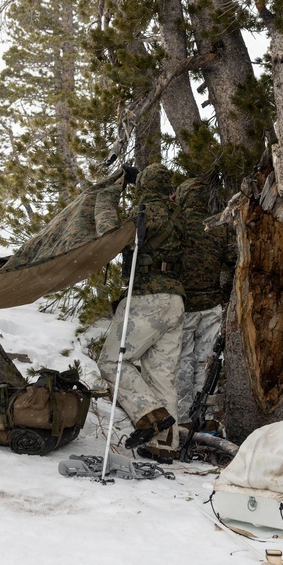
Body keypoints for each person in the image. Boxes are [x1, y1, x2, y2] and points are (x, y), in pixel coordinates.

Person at [97, 163, 185, 459]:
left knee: (111, 361)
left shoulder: (144, 212)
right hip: (175, 299)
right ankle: (165, 445)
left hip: (147, 296)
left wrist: (109, 193)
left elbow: (108, 233)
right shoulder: (178, 215)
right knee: (161, 375)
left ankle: (151, 415)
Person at [174, 178, 236, 433]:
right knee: (207, 362)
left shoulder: (177, 224)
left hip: (183, 304)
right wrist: (225, 292)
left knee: (182, 361)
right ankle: (207, 417)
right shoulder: (218, 226)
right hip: (211, 304)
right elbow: (234, 259)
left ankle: (182, 417)